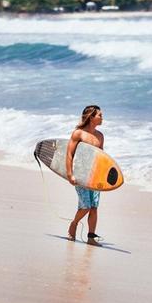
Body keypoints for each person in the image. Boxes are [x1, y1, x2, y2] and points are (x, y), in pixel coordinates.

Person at [66, 105, 104, 246]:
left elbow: (102, 158)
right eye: (99, 115)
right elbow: (69, 154)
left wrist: (103, 177)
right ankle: (74, 224)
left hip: (95, 176)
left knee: (94, 207)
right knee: (86, 206)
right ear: (91, 117)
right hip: (81, 174)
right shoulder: (78, 133)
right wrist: (70, 174)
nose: (102, 117)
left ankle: (91, 237)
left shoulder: (100, 136)